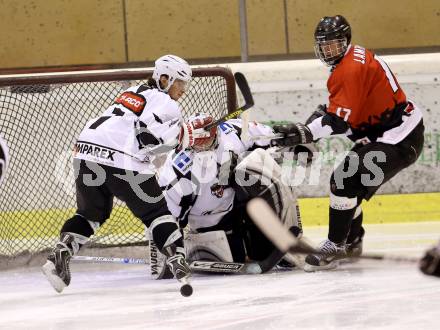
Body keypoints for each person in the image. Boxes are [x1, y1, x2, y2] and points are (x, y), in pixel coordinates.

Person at [42, 55, 207, 292]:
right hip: (121, 159)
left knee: (91, 213)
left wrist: (178, 137)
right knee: (157, 212)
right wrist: (183, 137)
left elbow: (140, 131)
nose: (183, 90)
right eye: (180, 83)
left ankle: (60, 255)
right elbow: (148, 139)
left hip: (85, 153)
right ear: (164, 79)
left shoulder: (135, 91)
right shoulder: (166, 102)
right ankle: (177, 261)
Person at [273, 15, 425, 272]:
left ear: (346, 42)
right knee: (343, 182)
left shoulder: (349, 69)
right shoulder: (352, 60)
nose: (328, 50)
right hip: (387, 132)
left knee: (344, 179)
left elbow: (338, 123)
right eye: (324, 45)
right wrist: (307, 132)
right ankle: (352, 241)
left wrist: (306, 133)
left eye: (333, 44)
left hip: (399, 137)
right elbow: (338, 112)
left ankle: (336, 244)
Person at [157, 114, 304, 275]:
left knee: (254, 164)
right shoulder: (177, 171)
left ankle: (285, 231)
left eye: (207, 143)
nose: (203, 149)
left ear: (216, 134)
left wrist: (291, 138)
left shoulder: (233, 131)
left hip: (241, 204)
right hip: (211, 222)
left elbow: (268, 136)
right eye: (197, 146)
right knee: (236, 258)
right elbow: (167, 217)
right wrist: (171, 254)